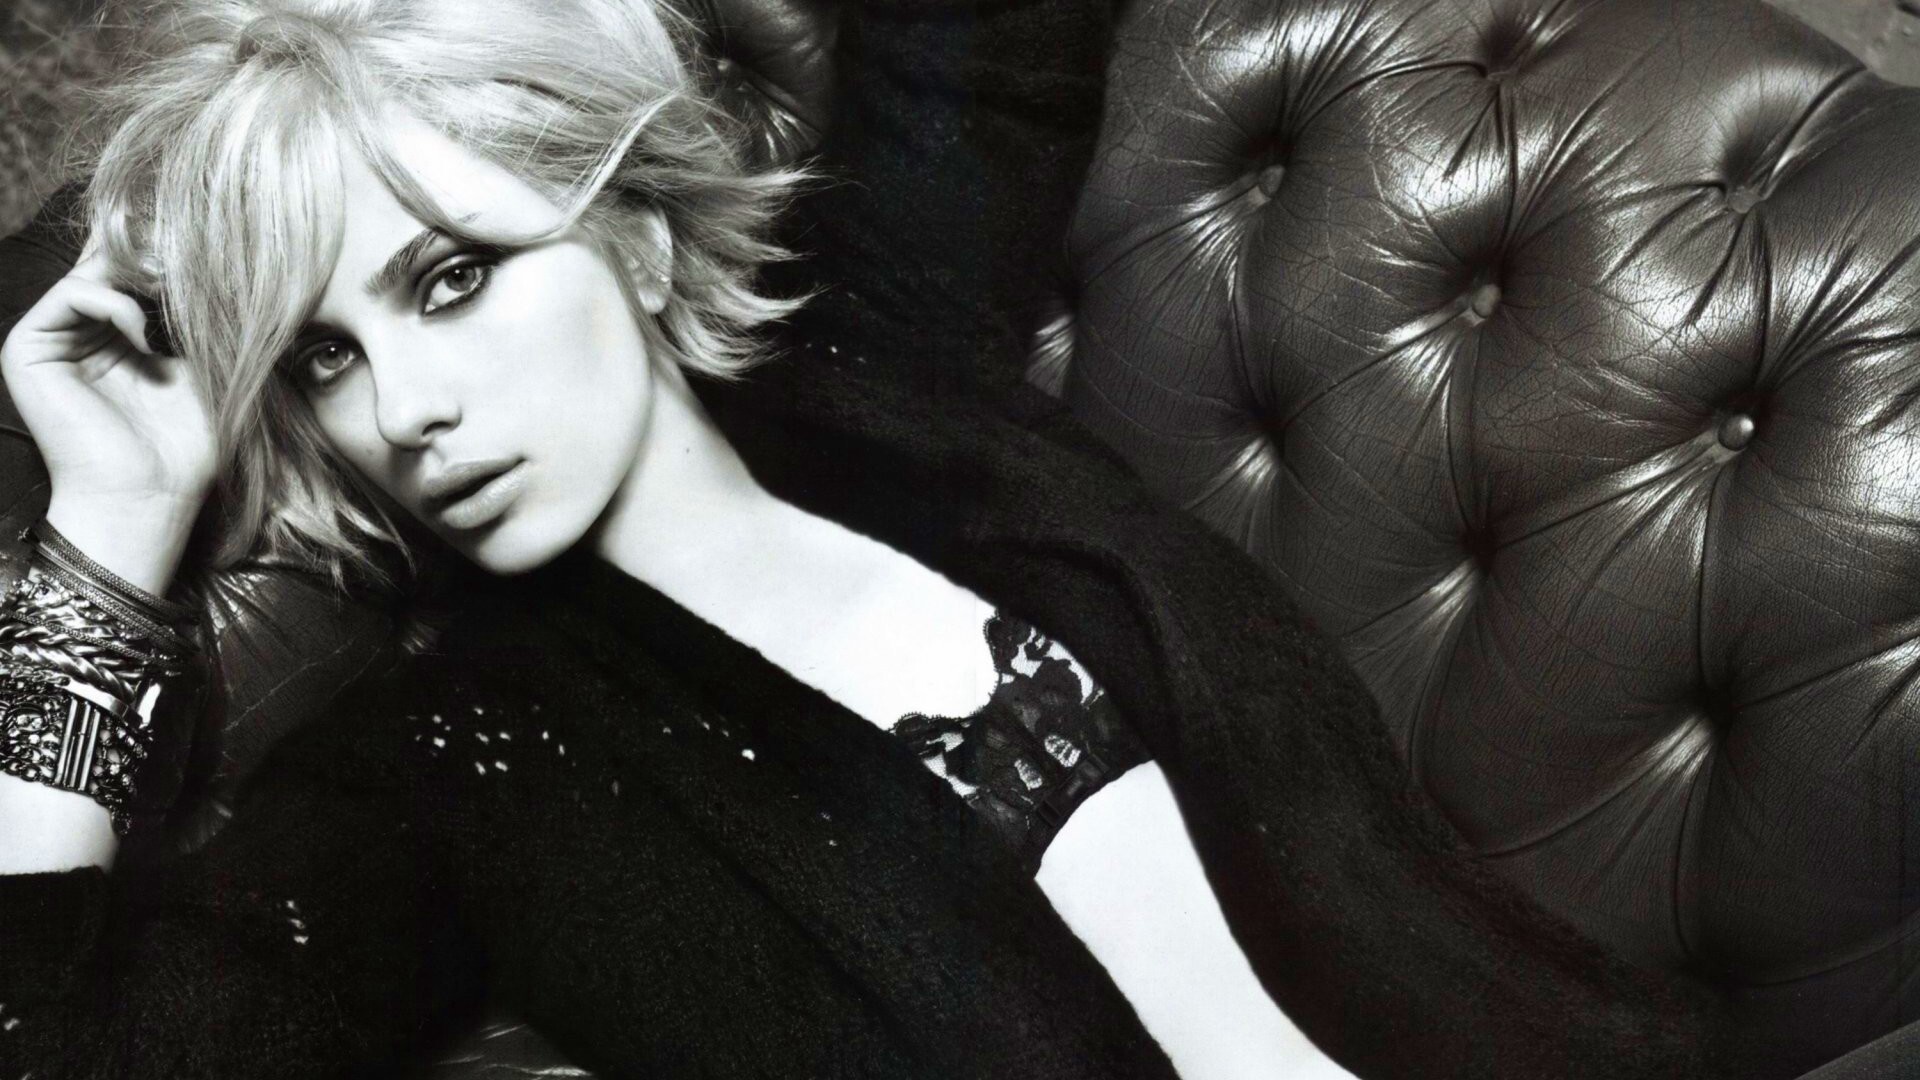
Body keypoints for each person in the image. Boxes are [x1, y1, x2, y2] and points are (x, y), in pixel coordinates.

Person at [0, 0, 1775, 1077]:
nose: (404, 408)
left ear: (631, 237)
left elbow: (982, 54)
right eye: (322, 360)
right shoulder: (452, 771)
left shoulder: (883, 365)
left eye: (452, 280)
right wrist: (108, 536)